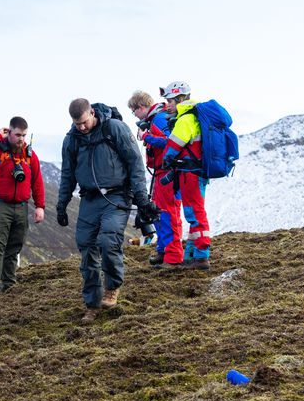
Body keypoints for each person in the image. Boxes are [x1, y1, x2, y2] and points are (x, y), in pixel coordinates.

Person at [57, 98, 160, 325]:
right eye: (77, 124)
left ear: (91, 113)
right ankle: (92, 304)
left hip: (117, 196)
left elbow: (135, 163)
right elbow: (67, 174)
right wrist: (61, 204)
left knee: (108, 240)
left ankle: (112, 287)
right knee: (86, 247)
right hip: (89, 199)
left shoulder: (114, 129)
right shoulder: (71, 140)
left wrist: (142, 198)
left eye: (84, 122)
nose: (81, 127)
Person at [0, 116, 45, 296]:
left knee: (14, 247)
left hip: (21, 206)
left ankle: (8, 284)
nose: (21, 139)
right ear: (9, 132)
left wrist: (40, 206)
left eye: (24, 135)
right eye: (17, 135)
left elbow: (37, 181)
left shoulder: (29, 155)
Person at [128, 91, 184, 268]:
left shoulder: (159, 119)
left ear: (141, 107)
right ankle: (163, 250)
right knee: (159, 212)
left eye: (134, 111)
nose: (134, 115)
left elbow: (170, 141)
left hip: (167, 173)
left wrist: (146, 136)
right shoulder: (157, 118)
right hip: (161, 173)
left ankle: (173, 256)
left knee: (168, 212)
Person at [160, 81, 211, 270]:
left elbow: (174, 145)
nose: (168, 105)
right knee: (193, 212)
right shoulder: (193, 116)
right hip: (194, 172)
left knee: (195, 212)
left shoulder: (185, 119)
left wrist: (167, 159)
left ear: (181, 99)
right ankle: (192, 255)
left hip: (190, 173)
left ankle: (201, 256)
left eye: (171, 101)